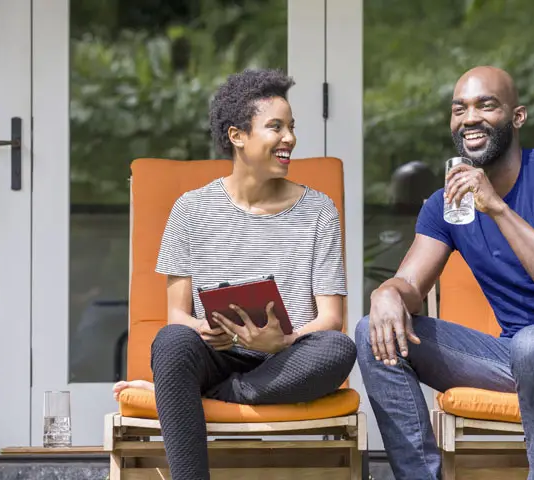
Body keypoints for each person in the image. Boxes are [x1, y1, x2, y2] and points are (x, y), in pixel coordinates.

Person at [356, 65, 534, 480]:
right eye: (459, 109)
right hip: (515, 358)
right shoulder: (447, 203)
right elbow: (410, 285)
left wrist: (496, 207)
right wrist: (386, 293)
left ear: (517, 116)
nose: (470, 117)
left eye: (485, 105)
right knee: (373, 331)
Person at [111, 68, 356, 480]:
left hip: (287, 360)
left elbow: (331, 319)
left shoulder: (319, 210)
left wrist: (282, 342)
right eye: (275, 127)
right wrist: (207, 329)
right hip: (219, 356)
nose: (290, 139)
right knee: (171, 341)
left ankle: (186, 393)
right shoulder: (190, 209)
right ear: (237, 135)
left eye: (292, 128)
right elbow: (178, 316)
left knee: (339, 349)